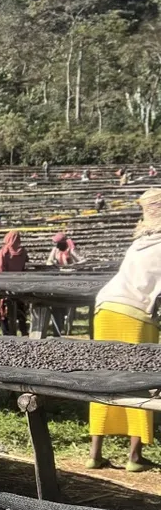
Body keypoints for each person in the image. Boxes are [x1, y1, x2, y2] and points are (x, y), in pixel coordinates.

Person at [88, 189, 161, 472]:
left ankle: (95, 454)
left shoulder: (139, 244)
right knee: (139, 382)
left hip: (106, 309)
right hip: (134, 313)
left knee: (104, 380)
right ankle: (134, 457)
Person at [0, 231, 30, 336]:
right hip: (18, 285)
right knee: (20, 308)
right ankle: (23, 330)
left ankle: (6, 332)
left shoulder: (5, 251)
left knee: (3, 309)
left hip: (5, 284)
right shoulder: (23, 252)